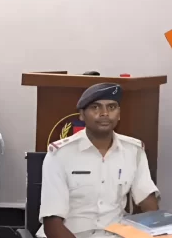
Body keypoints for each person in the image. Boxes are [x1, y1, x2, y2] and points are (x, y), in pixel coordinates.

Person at [39, 83, 159, 238]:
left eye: (111, 107)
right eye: (95, 107)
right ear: (82, 115)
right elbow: (52, 224)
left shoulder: (133, 150)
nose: (104, 114)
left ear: (119, 114)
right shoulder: (60, 155)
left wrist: (158, 229)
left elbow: (148, 201)